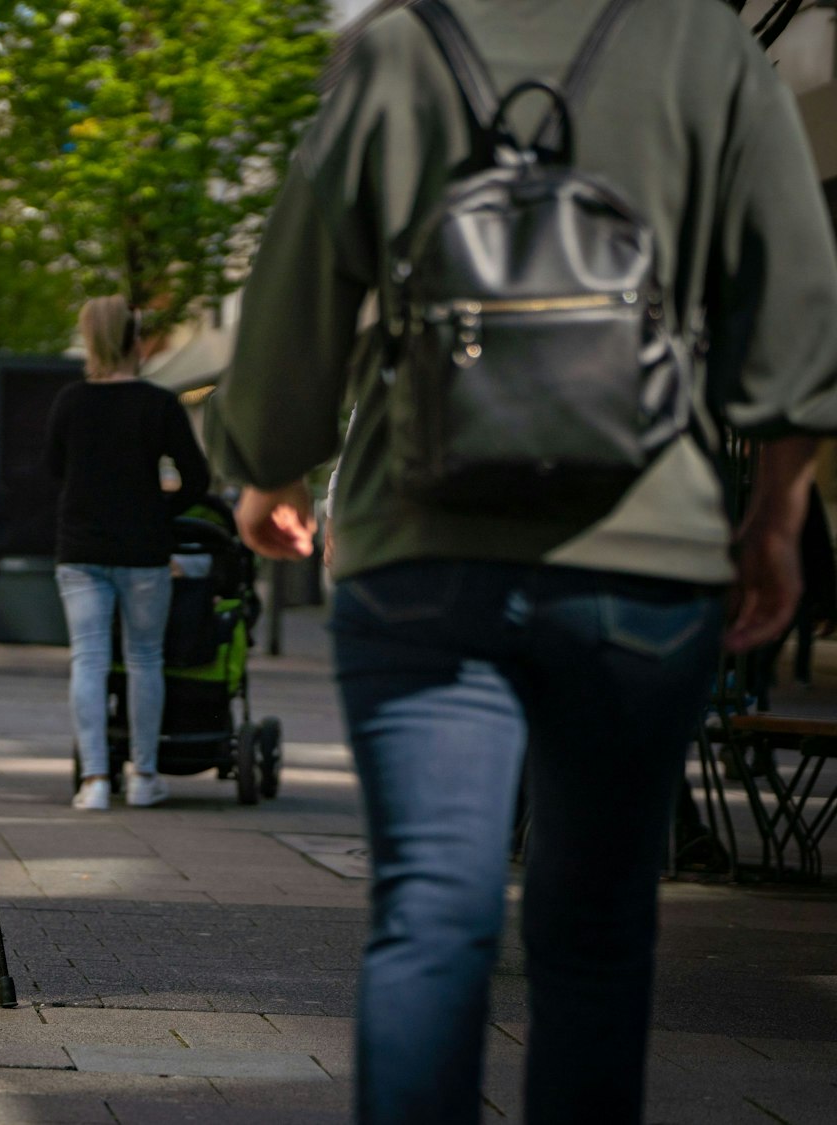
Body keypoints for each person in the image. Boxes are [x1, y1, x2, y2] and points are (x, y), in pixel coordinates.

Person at [209, 3, 837, 1121]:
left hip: (421, 549)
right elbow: (794, 303)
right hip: (644, 554)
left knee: (429, 918)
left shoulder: (400, 48)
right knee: (598, 929)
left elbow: (298, 287)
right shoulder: (706, 47)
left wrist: (271, 468)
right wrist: (774, 512)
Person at [47, 296, 211, 811]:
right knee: (145, 659)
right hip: (144, 548)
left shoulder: (70, 401)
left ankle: (94, 781)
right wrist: (159, 509)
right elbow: (198, 478)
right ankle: (144, 775)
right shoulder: (160, 404)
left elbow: (54, 470)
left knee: (88, 659)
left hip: (81, 546)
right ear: (134, 340)